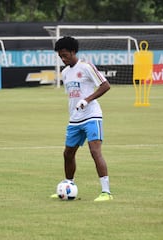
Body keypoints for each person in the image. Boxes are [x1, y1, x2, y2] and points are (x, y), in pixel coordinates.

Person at [52, 36, 113, 201]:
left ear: (73, 51)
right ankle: (68, 186)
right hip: (75, 119)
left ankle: (106, 192)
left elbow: (105, 85)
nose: (63, 59)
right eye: (60, 56)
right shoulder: (65, 72)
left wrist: (87, 100)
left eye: (65, 55)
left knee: (95, 151)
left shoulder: (86, 67)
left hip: (92, 116)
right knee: (68, 154)